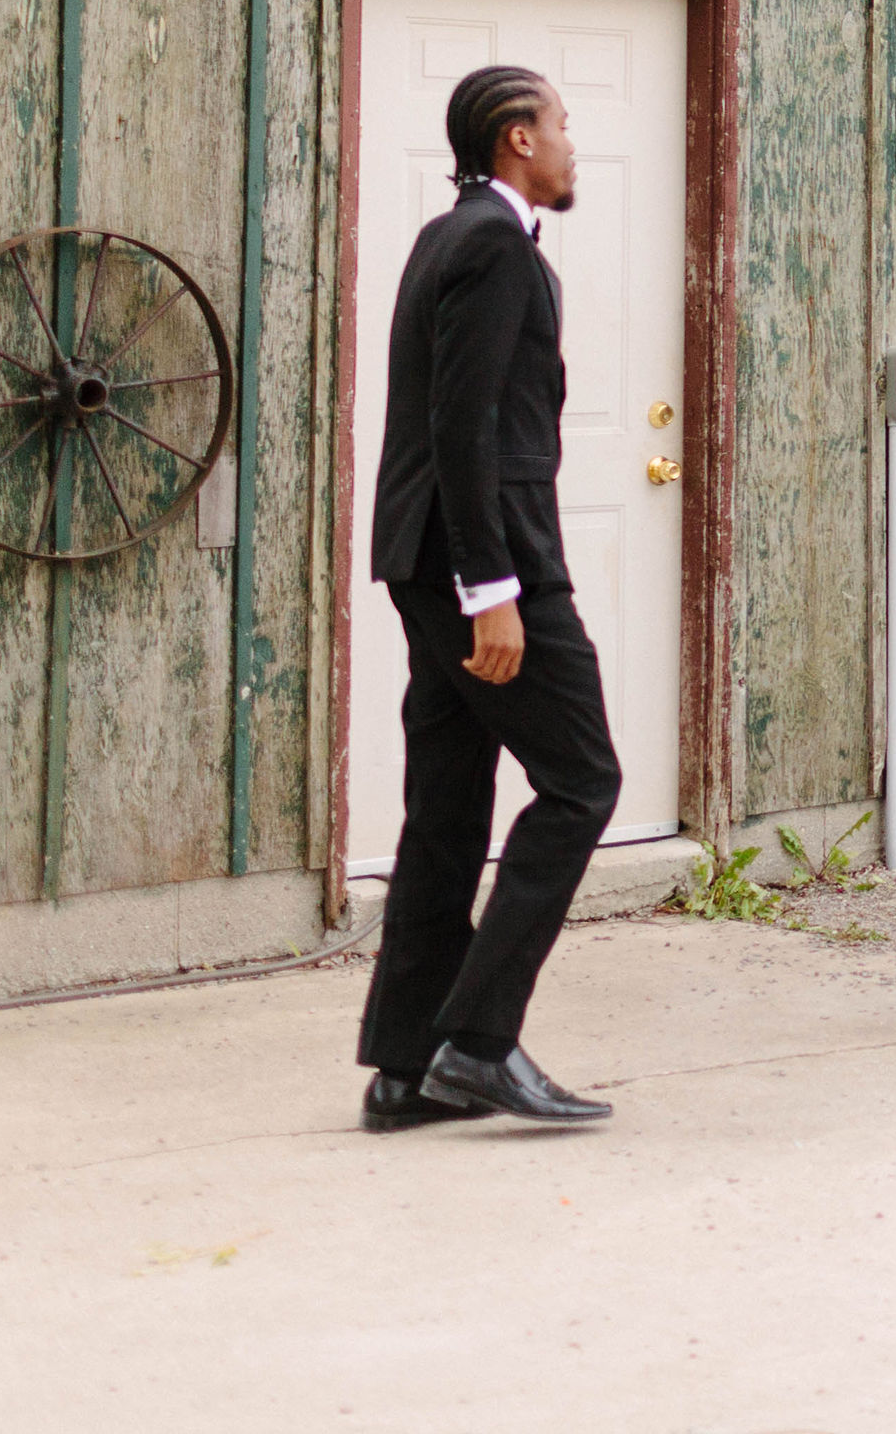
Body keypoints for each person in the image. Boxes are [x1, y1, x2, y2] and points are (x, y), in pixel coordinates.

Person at [357, 64, 624, 1131]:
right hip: (486, 562)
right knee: (583, 782)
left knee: (450, 810)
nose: (572, 142)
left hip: (431, 562)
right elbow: (461, 427)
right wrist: (493, 590)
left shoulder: (448, 235)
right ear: (518, 138)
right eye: (561, 124)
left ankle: (405, 1067)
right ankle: (477, 1043)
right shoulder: (493, 247)